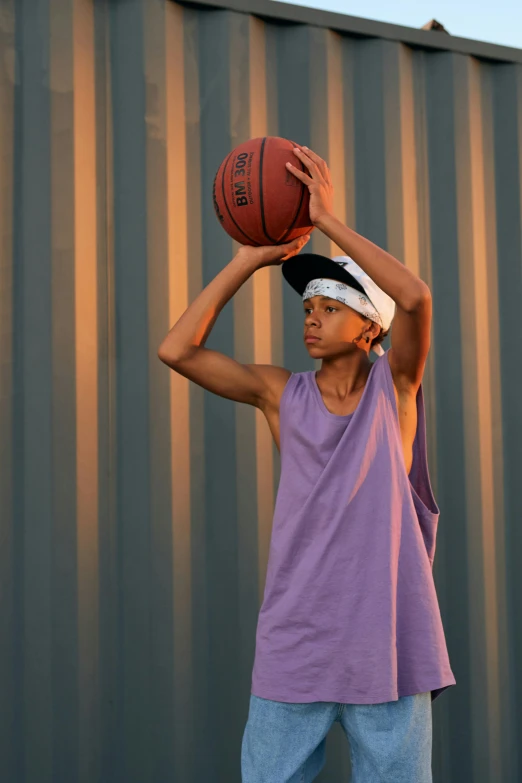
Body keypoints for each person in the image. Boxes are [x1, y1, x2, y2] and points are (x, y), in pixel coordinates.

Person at [158, 145, 456, 783]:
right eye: (307, 309)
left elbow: (417, 297)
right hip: (297, 640)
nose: (312, 319)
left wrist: (325, 219)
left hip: (389, 643)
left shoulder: (395, 390)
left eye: (330, 308)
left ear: (371, 328)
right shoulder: (278, 393)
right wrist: (248, 257)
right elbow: (176, 349)